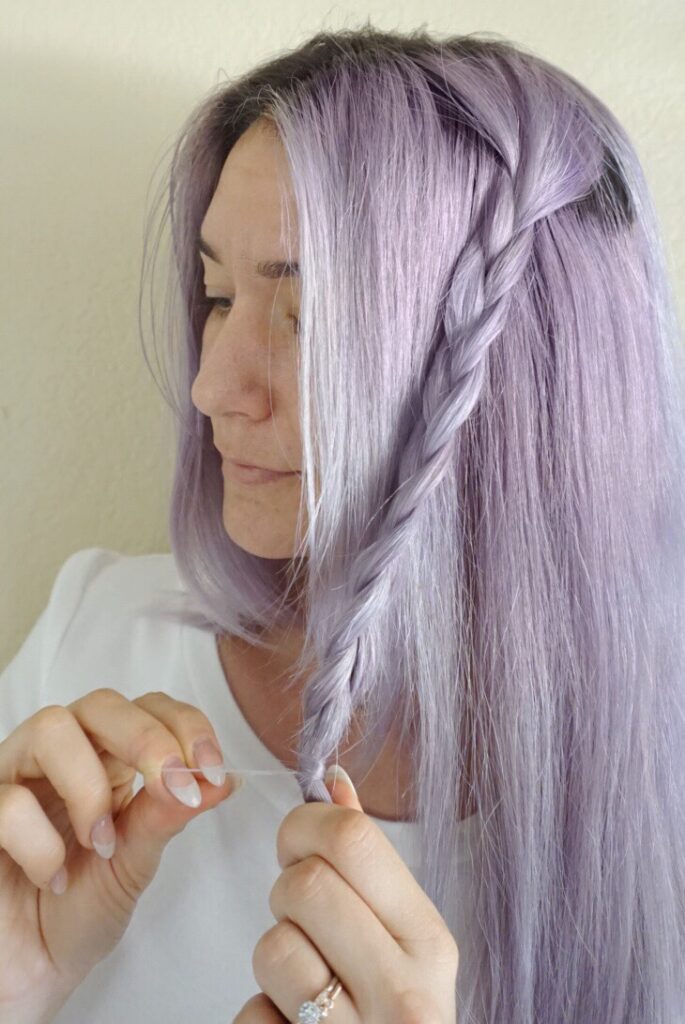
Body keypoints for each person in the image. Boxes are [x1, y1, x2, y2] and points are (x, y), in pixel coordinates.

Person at [1, 23, 684, 1024]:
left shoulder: (653, 812)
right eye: (218, 295)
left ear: (521, 379)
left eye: (305, 315)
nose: (208, 386)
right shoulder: (96, 640)